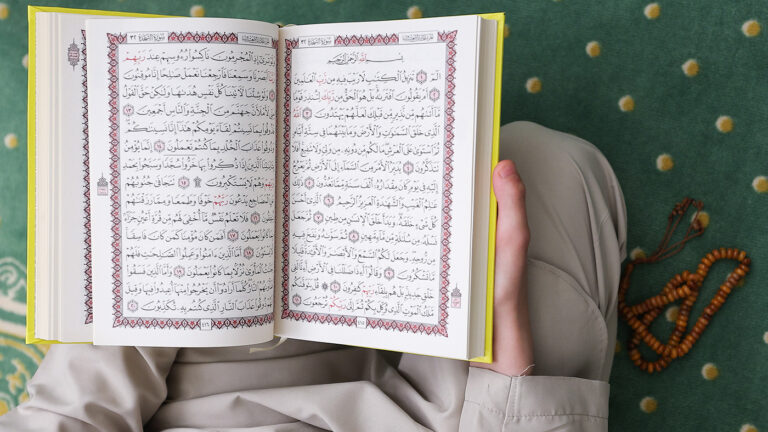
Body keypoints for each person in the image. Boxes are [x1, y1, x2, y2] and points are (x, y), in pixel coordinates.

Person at [0, 121, 626, 431]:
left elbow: (73, 414)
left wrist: (153, 273)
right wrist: (505, 338)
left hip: (201, 387)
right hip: (425, 415)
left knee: (195, 165)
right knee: (547, 164)